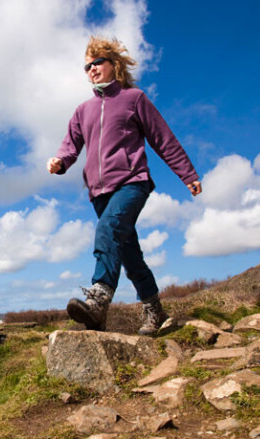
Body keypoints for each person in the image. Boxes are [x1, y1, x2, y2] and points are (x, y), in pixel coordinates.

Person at [46, 36, 202, 335]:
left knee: (107, 230)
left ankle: (98, 298)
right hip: (98, 192)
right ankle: (154, 310)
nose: (91, 69)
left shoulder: (134, 99)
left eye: (97, 63)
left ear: (113, 65)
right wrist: (60, 162)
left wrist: (188, 174)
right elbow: (70, 147)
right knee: (129, 254)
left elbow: (163, 139)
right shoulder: (82, 111)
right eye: (87, 66)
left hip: (132, 182)